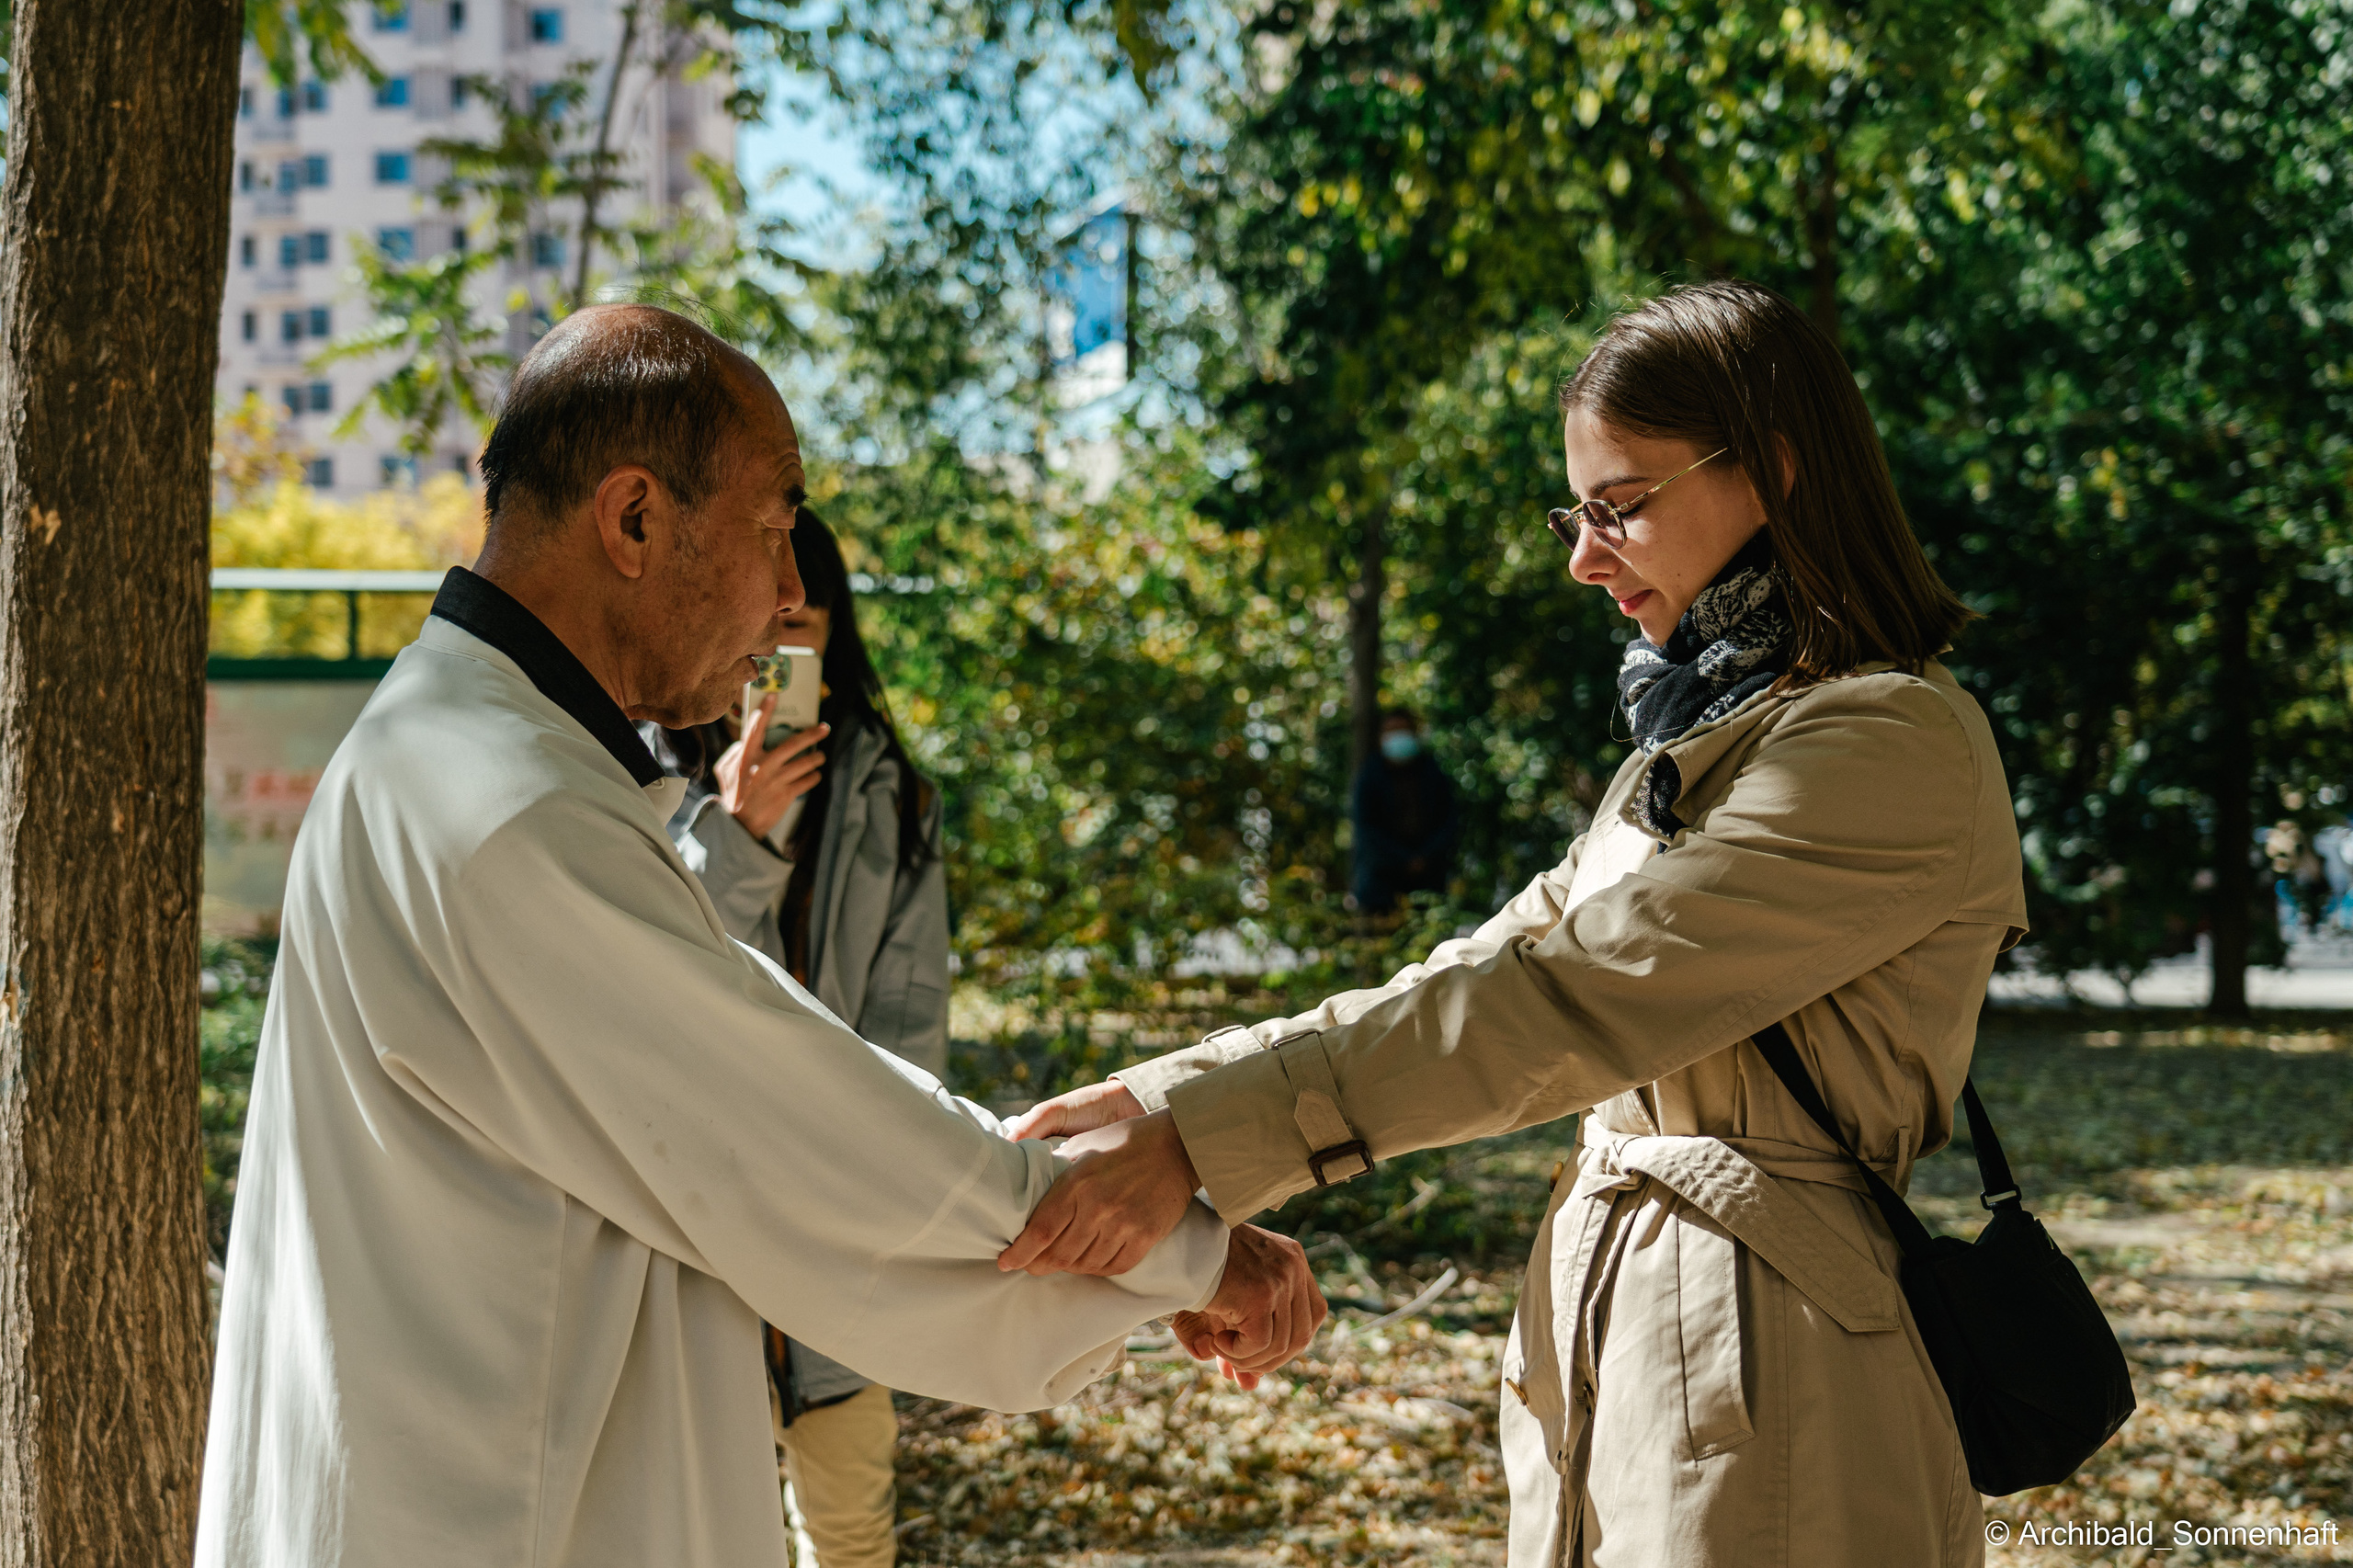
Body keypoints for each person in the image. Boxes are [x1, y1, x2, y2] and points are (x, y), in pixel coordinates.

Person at [195, 303, 1325, 1568]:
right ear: (635, 519)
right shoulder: (508, 808)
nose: (793, 592)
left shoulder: (452, 748)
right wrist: (1186, 1254)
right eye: (775, 527)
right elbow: (816, 1141)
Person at [996, 280, 2027, 1568]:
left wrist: (1199, 1143)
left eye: (1620, 505)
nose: (1584, 557)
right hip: (1613, 1340)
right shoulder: (1693, 743)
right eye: (1575, 512)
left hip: (1781, 1367)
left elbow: (1565, 999)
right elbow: (1487, 964)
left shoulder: (1889, 740)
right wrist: (1167, 1097)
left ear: (1771, 469)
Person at [649, 508, 947, 1568]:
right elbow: (654, 992)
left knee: (851, 1527)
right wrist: (730, 836)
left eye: (800, 622)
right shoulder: (651, 768)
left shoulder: (894, 795)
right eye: (758, 619)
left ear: (835, 633)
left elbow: (911, 1019)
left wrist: (894, 1197)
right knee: (698, 1531)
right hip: (690, 1216)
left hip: (836, 1219)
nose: (774, 647)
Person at [1350, 709, 1460, 914]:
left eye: (1403, 730)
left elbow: (1449, 821)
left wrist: (1425, 857)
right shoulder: (1370, 775)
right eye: (1391, 731)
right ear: (1381, 737)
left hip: (1429, 878)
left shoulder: (1432, 771)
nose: (1398, 737)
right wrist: (1403, 858)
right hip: (1380, 883)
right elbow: (1366, 828)